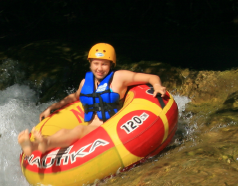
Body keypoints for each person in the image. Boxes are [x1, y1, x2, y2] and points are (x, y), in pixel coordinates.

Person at [17, 43, 167, 155]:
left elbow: (151, 77)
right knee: (65, 131)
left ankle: (45, 143)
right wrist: (54, 106)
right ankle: (36, 145)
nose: (99, 68)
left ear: (111, 64)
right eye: (96, 63)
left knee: (79, 129)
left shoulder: (120, 77)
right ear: (90, 64)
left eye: (104, 64)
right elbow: (75, 97)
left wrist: (157, 86)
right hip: (89, 126)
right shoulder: (85, 82)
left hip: (109, 129)